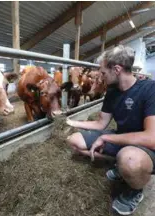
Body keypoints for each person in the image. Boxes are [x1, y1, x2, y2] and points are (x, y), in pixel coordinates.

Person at [66, 45, 155, 215]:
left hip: (145, 148)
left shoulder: (150, 89)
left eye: (103, 72)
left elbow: (152, 138)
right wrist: (73, 122)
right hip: (121, 138)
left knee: (129, 160)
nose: (100, 76)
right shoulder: (112, 92)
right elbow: (101, 124)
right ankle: (119, 165)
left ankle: (134, 190)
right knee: (75, 141)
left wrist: (108, 139)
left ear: (117, 69)